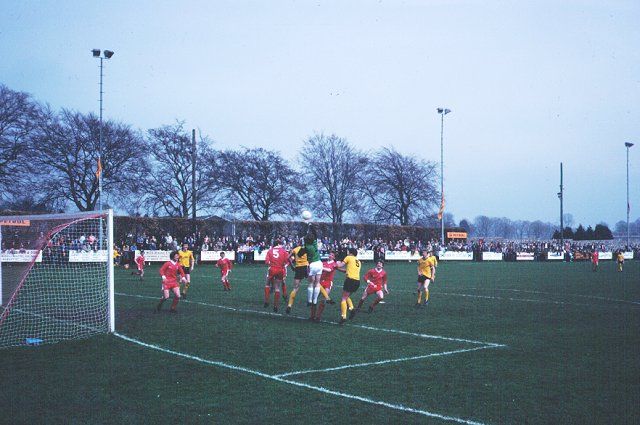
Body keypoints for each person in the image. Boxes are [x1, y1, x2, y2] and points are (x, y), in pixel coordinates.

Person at [336, 248, 362, 324]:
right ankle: (351, 308)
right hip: (357, 281)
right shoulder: (358, 261)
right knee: (347, 296)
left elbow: (340, 265)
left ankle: (343, 316)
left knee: (343, 298)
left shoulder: (348, 257)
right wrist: (338, 269)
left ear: (350, 252)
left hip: (350, 280)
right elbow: (346, 270)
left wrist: (335, 263)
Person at [314, 252, 340, 321]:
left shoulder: (334, 264)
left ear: (334, 257)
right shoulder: (323, 263)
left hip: (328, 282)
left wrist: (321, 267)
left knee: (323, 300)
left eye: (332, 255)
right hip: (320, 282)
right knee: (314, 298)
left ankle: (318, 316)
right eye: (330, 254)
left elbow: (329, 270)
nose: (330, 255)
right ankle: (312, 315)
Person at [264, 239, 289, 312]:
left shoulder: (270, 251)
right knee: (277, 287)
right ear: (278, 244)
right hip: (280, 269)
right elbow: (286, 261)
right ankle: (275, 305)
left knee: (267, 284)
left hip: (272, 268)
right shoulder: (284, 251)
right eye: (281, 244)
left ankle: (266, 301)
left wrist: (271, 264)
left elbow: (266, 262)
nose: (282, 245)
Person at [285, 240, 309, 314]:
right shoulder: (306, 249)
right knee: (314, 284)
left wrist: (292, 266)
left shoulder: (295, 249)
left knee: (295, 288)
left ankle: (289, 305)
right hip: (306, 267)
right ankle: (312, 301)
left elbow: (288, 257)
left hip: (298, 268)